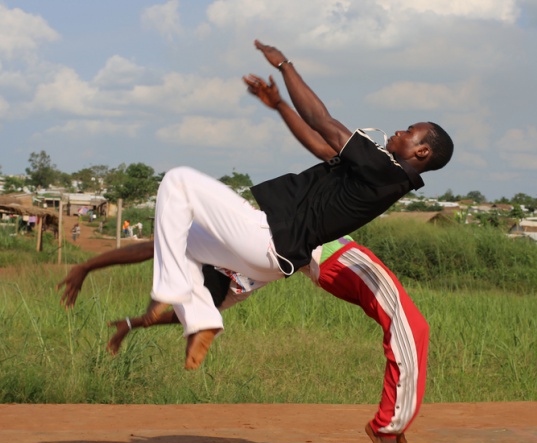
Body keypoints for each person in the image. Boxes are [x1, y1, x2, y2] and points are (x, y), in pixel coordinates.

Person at [142, 39, 453, 373]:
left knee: (178, 180)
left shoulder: (384, 168)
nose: (398, 131)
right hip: (276, 261)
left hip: (267, 238)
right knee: (184, 241)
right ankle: (203, 318)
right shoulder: (384, 177)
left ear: (422, 152)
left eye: (409, 131)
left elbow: (323, 120)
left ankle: (175, 292)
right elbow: (322, 146)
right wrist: (279, 106)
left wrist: (284, 65)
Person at [56, 233, 427, 443]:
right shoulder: (238, 281)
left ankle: (393, 421)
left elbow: (149, 248)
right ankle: (390, 422)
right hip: (329, 260)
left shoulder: (219, 241)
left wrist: (88, 265)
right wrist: (135, 322)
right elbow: (193, 310)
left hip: (330, 249)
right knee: (409, 326)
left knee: (410, 327)